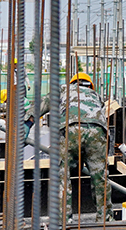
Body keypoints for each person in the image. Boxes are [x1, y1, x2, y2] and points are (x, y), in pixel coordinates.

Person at [26, 72, 113, 222]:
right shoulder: (96, 95)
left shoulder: (64, 89)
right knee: (100, 178)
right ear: (90, 85)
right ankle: (105, 219)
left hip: (71, 128)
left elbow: (44, 104)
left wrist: (27, 122)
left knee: (62, 175)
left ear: (73, 83)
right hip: (98, 131)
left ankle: (64, 219)